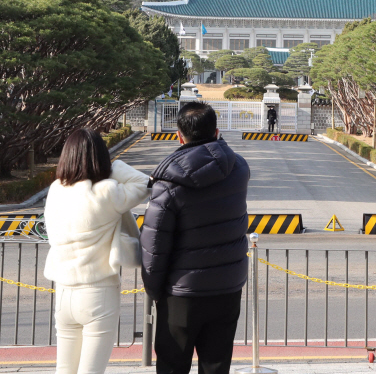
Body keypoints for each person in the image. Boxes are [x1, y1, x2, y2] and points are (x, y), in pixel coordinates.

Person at [140, 101, 250, 374]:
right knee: (216, 365)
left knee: (172, 365)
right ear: (216, 131)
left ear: (179, 135)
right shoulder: (238, 169)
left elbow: (154, 246)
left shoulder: (168, 183)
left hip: (182, 293)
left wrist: (154, 291)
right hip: (228, 287)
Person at [44, 128, 149, 374]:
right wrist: (112, 167)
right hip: (98, 292)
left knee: (64, 370)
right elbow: (145, 184)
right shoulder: (107, 192)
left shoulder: (55, 189)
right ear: (101, 157)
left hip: (63, 291)